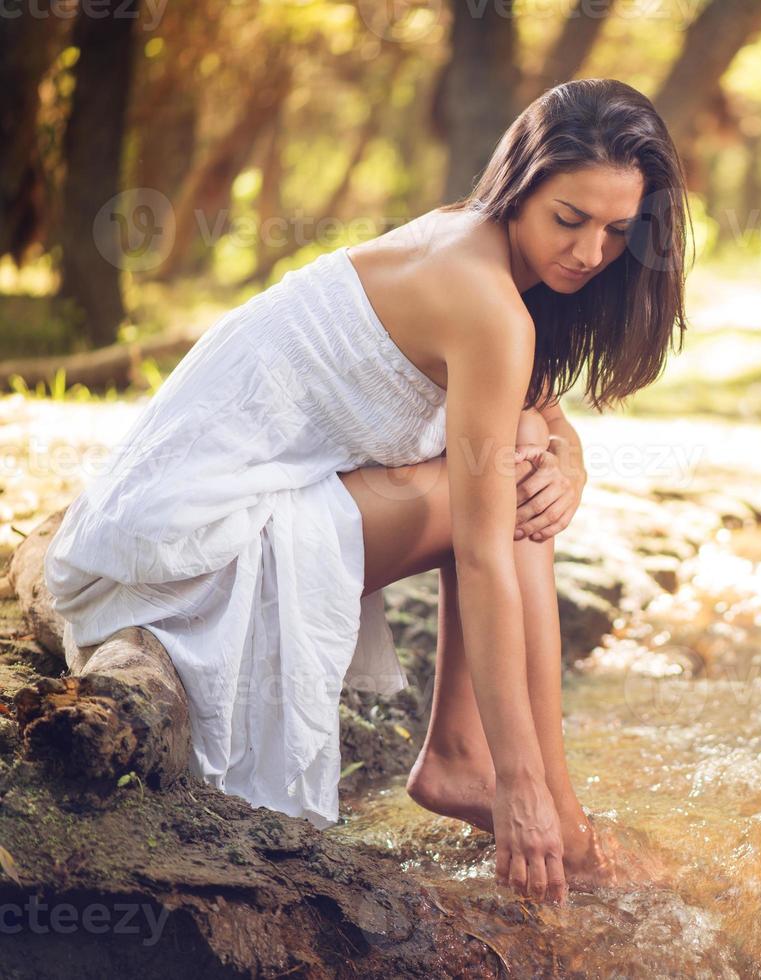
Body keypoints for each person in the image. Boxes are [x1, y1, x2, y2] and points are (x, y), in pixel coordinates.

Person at [42, 78, 692, 906]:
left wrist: (573, 454)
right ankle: (520, 788)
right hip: (188, 556)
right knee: (503, 495)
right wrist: (522, 792)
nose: (591, 253)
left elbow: (537, 408)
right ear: (520, 186)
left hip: (161, 519)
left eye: (617, 232)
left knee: (524, 454)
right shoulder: (487, 304)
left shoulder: (469, 243)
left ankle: (470, 758)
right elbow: (487, 554)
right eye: (570, 220)